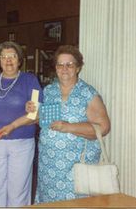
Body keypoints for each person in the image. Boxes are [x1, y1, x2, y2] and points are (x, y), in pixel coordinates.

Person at [33, 45, 110, 203]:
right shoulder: (48, 91)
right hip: (48, 166)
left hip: (76, 168)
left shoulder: (88, 93)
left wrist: (68, 127)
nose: (64, 68)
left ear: (78, 68)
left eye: (70, 64)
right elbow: (40, 120)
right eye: (60, 64)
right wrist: (33, 111)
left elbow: (103, 127)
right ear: (55, 68)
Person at [0, 41, 42, 207]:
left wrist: (12, 126)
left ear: (20, 60)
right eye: (4, 57)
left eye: (12, 56)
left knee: (18, 189)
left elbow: (35, 114)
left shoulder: (30, 80)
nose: (8, 60)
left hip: (21, 142)